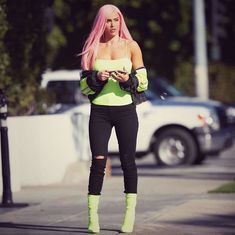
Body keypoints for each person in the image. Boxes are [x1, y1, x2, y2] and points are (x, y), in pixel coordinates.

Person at [79, 4, 148, 234]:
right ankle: (92, 217)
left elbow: (143, 83)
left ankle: (129, 216)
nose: (113, 24)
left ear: (121, 21)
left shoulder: (131, 46)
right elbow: (83, 88)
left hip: (126, 111)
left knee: (128, 162)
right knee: (98, 161)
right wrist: (97, 78)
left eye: (116, 20)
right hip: (99, 112)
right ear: (101, 22)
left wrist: (127, 79)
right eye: (108, 21)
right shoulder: (92, 48)